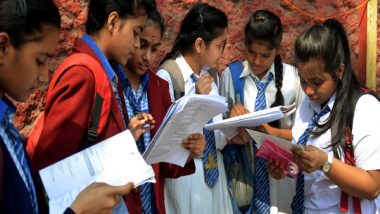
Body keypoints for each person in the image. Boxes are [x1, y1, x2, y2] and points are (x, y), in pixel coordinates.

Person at [0, 0, 134, 213]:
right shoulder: (82, 72)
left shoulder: (6, 122)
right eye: (40, 60)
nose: (44, 76)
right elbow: (51, 160)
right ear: (3, 47)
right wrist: (77, 210)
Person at [269, 19, 380, 213]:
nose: (309, 90)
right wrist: (286, 168)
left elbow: (372, 187)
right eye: (303, 81)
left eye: (317, 82)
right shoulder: (307, 106)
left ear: (339, 71)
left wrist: (325, 162)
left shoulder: (364, 108)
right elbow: (309, 172)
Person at [118, 9, 205, 213]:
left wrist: (189, 151)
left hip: (153, 204)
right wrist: (126, 137)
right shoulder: (111, 83)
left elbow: (165, 162)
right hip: (120, 203)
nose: (147, 57)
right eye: (142, 45)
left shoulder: (159, 87)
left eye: (155, 49)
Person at [220, 10, 303, 214]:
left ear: (277, 49)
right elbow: (218, 133)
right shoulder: (231, 76)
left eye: (265, 55)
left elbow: (304, 132)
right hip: (243, 180)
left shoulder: (294, 80)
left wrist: (270, 133)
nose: (256, 61)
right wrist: (231, 119)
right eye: (251, 52)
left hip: (283, 179)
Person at [156, 3, 233, 213]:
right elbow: (165, 142)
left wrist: (234, 130)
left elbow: (216, 134)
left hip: (214, 174)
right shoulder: (168, 78)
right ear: (200, 45)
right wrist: (196, 100)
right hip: (185, 179)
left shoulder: (208, 77)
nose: (222, 53)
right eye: (220, 46)